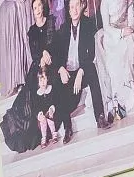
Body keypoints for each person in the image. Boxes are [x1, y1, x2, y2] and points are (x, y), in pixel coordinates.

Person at [51, 0, 110, 138]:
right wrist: (61, 69)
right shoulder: (63, 29)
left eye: (77, 5)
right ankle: (67, 127)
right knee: (57, 82)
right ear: (69, 11)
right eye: (72, 7)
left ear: (82, 6)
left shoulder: (88, 24)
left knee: (92, 71)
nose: (75, 10)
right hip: (68, 72)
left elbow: (91, 54)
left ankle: (100, 117)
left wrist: (81, 71)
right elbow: (56, 52)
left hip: (82, 69)